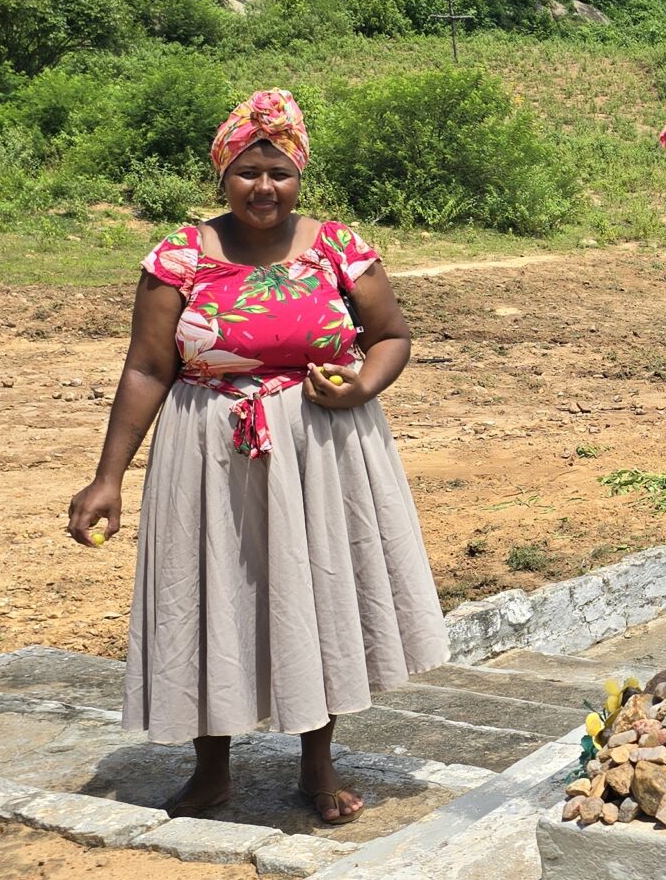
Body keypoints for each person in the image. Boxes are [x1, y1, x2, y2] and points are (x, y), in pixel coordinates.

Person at [67, 88, 448, 824]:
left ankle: (317, 764)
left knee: (317, 594)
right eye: (247, 171)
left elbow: (392, 336)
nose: (264, 187)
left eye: (280, 172)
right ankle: (210, 772)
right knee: (204, 593)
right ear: (223, 176)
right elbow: (147, 367)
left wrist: (362, 384)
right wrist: (107, 477)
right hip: (206, 452)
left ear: (300, 176)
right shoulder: (180, 257)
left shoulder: (338, 248)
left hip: (320, 447)